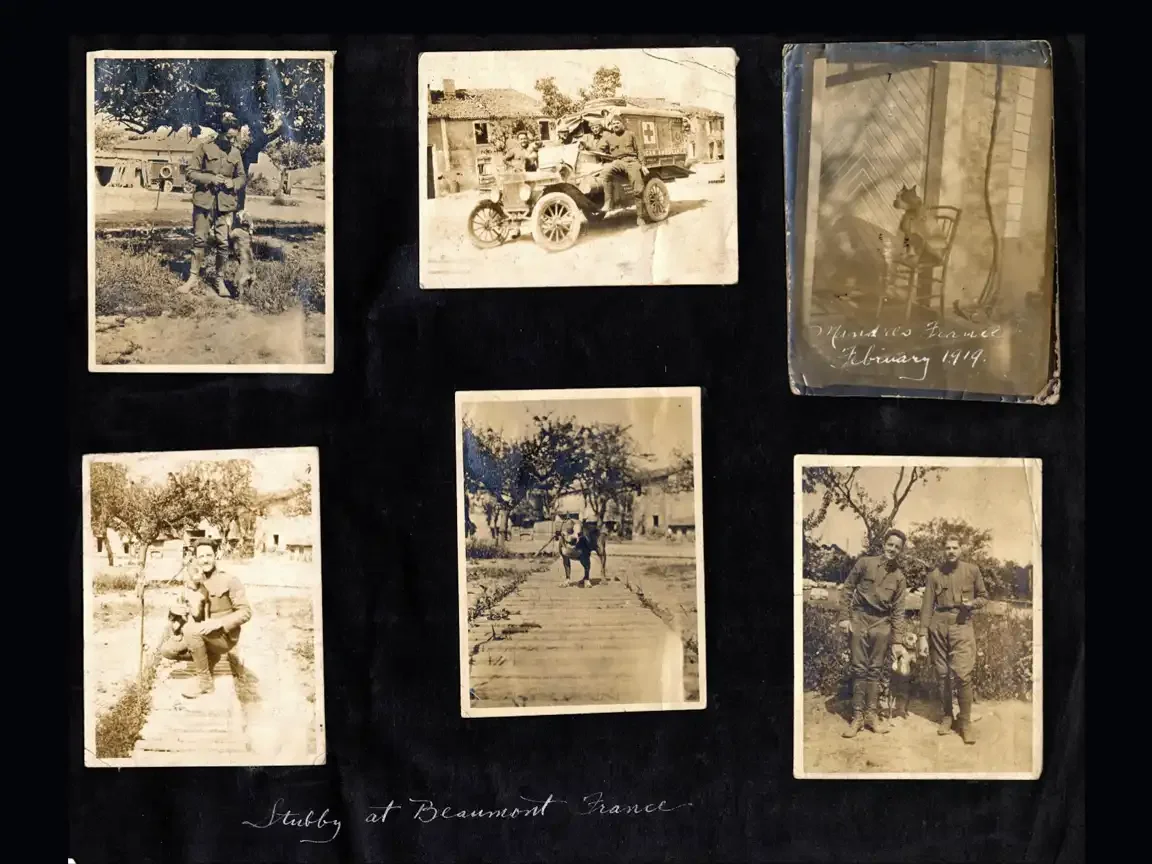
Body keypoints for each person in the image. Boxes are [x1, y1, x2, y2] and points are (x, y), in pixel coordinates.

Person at [158, 539, 252, 699]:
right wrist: (176, 612)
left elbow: (245, 612)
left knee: (190, 630)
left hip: (223, 636)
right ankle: (209, 657)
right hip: (201, 633)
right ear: (195, 559)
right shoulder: (193, 583)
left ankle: (205, 682)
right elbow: (192, 614)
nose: (205, 560)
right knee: (167, 649)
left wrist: (219, 623)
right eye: (201, 556)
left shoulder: (229, 580)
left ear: (217, 555)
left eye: (209, 555)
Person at [839, 529, 910, 738]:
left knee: (876, 670)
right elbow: (847, 589)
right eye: (890, 545)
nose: (893, 550)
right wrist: (844, 617)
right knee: (860, 668)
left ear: (901, 551)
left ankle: (871, 716)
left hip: (882, 624)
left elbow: (898, 611)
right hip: (860, 619)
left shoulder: (899, 577)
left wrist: (897, 641)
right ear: (884, 544)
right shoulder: (865, 563)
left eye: (897, 547)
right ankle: (857, 717)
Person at [918, 535, 988, 744]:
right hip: (938, 625)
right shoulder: (934, 575)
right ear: (943, 550)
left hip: (962, 623)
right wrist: (923, 636)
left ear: (961, 549)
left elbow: (984, 597)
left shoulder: (972, 570)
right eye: (947, 548)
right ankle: (947, 716)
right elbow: (926, 607)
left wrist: (972, 604)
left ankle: (965, 722)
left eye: (954, 547)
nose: (951, 551)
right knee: (942, 673)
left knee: (963, 674)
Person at [181, 113, 247, 298]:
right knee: (199, 240)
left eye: (235, 137)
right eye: (229, 137)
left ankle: (219, 280)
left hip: (225, 205)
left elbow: (242, 177)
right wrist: (210, 178)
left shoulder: (235, 153)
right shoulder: (204, 147)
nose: (232, 140)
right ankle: (193, 278)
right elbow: (190, 172)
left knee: (223, 244)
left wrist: (233, 183)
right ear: (220, 133)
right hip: (204, 201)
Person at [600, 113, 647, 225]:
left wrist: (643, 165)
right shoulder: (609, 138)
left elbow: (639, 150)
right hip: (618, 162)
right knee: (605, 171)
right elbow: (600, 148)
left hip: (632, 161)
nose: (615, 125)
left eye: (617, 123)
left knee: (638, 188)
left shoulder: (631, 134)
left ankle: (640, 217)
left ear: (622, 124)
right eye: (613, 124)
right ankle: (608, 202)